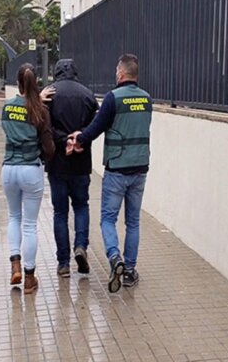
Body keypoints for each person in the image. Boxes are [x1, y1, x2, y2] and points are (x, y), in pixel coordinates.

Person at [68, 54, 152, 293]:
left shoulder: (113, 98)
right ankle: (130, 271)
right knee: (133, 221)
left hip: (117, 169)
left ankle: (115, 258)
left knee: (108, 219)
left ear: (121, 73)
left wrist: (79, 139)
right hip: (140, 168)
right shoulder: (147, 99)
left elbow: (96, 128)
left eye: (117, 70)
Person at [1, 63, 55, 294]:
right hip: (30, 169)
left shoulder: (7, 107)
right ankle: (29, 278)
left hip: (8, 169)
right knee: (30, 225)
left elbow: (11, 124)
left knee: (14, 216)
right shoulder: (40, 111)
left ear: (18, 83)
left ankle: (15, 263)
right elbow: (49, 148)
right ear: (36, 83)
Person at [44, 59, 99, 278]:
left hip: (57, 163)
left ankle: (63, 263)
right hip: (81, 162)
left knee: (60, 213)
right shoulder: (88, 95)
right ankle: (81, 246)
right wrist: (79, 138)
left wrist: (64, 139)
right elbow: (95, 126)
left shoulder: (49, 94)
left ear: (56, 72)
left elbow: (45, 127)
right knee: (81, 206)